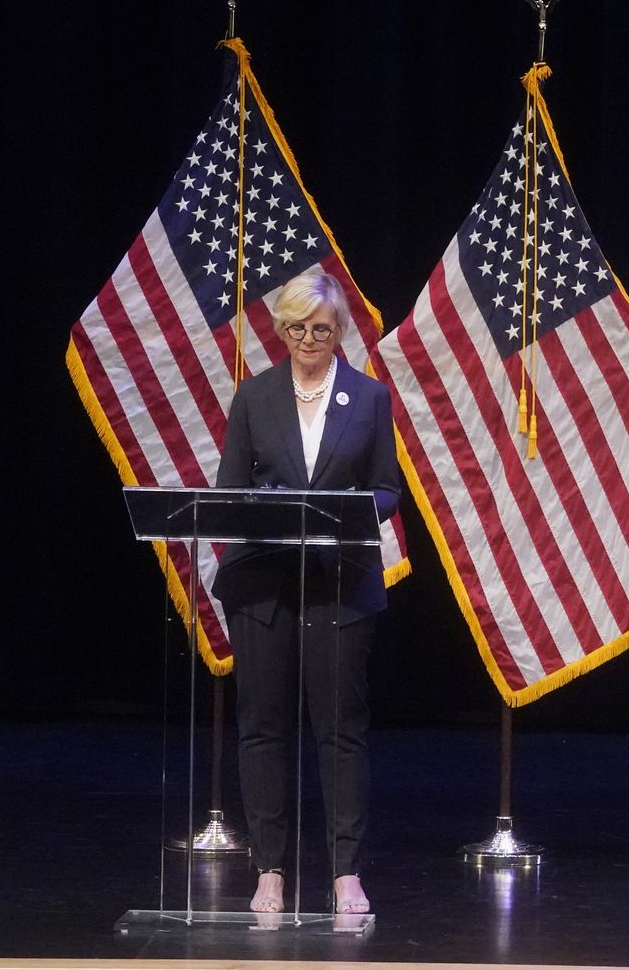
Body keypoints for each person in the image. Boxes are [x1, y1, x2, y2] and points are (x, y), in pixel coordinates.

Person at [213, 273, 400, 916]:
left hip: (339, 582)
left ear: (340, 330)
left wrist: (346, 511)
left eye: (321, 329)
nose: (308, 340)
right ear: (282, 330)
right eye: (297, 328)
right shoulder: (254, 396)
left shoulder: (369, 397)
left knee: (341, 730)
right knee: (262, 726)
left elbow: (387, 489)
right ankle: (269, 871)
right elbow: (229, 491)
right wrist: (266, 507)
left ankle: (346, 873)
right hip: (263, 583)